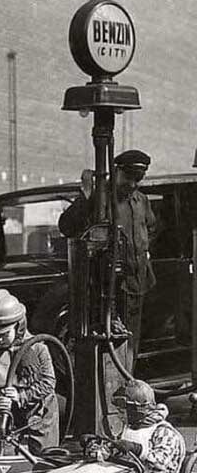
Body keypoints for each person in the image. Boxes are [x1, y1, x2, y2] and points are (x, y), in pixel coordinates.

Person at [58, 149, 157, 365]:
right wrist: (86, 196)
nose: (133, 184)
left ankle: (130, 379)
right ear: (116, 171)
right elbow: (66, 227)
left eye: (138, 179)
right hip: (109, 288)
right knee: (112, 346)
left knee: (132, 343)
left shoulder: (141, 200)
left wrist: (143, 251)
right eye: (129, 177)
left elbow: (151, 227)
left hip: (138, 282)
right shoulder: (100, 198)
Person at [0, 289, 59, 454]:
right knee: (5, 457)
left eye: (4, 334)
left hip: (39, 415)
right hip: (7, 415)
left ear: (18, 326)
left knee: (43, 459)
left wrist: (21, 396)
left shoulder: (38, 348)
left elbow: (48, 383)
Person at [112, 379, 184, 473]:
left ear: (136, 411)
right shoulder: (130, 427)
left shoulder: (163, 431)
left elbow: (162, 462)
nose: (119, 416)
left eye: (121, 412)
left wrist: (137, 449)